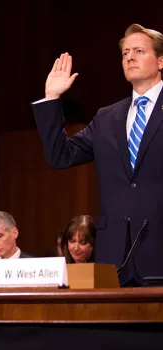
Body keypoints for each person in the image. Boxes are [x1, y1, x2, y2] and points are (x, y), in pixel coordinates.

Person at [31, 23, 163, 286]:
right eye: (125, 53)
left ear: (160, 61)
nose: (130, 58)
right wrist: (51, 98)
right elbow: (60, 156)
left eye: (139, 51)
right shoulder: (107, 117)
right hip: (115, 257)